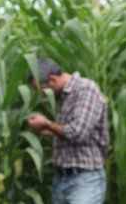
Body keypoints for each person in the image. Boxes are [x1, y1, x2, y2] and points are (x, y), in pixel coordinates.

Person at [27, 58, 109, 204]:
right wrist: (50, 132)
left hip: (85, 179)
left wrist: (46, 123)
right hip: (63, 179)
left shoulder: (85, 90)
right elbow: (78, 136)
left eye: (42, 91)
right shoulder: (65, 96)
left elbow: (78, 133)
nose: (42, 96)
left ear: (52, 79)